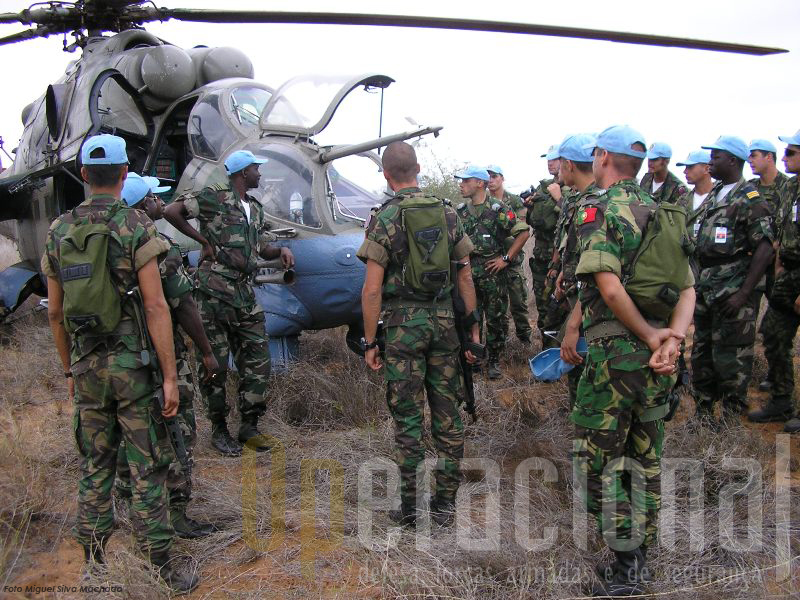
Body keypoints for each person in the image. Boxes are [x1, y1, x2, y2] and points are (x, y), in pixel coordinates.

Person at [42, 135, 197, 592]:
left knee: (96, 463)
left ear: (85, 176)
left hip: (88, 366)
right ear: (125, 173)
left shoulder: (58, 231)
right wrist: (170, 377)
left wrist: (71, 369)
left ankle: (93, 562)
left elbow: (54, 312)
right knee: (147, 466)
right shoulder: (136, 228)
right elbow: (156, 307)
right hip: (134, 368)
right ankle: (161, 566)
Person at [568, 126, 695, 597]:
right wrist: (671, 340)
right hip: (659, 361)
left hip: (615, 358)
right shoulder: (666, 212)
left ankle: (628, 568)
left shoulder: (601, 208)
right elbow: (687, 289)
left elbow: (608, 285)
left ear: (602, 157)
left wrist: (646, 335)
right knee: (645, 458)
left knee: (593, 464)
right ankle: (640, 559)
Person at [357, 141, 480, 527]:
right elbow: (465, 273)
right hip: (445, 324)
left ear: (386, 174)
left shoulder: (384, 217)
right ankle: (444, 504)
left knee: (408, 417)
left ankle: (410, 506)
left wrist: (371, 341)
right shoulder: (447, 213)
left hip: (402, 330)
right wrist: (473, 331)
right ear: (419, 168)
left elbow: (372, 289)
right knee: (448, 414)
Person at [164, 150, 295, 456]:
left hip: (244, 296)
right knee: (215, 366)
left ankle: (250, 427)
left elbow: (260, 248)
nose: (260, 174)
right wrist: (204, 242)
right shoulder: (214, 199)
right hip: (213, 294)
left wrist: (280, 253)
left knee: (257, 361)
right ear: (241, 173)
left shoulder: (256, 209)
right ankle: (219, 429)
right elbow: (172, 211)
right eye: (255, 169)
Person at [115, 173, 219, 538]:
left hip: (117, 361)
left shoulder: (103, 242)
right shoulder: (158, 246)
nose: (161, 202)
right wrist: (207, 352)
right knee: (177, 433)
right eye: (155, 198)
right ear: (144, 205)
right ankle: (175, 515)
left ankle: (128, 506)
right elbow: (183, 306)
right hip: (161, 359)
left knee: (127, 434)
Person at [692, 136, 774, 422]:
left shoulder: (749, 198)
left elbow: (764, 248)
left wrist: (743, 293)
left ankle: (729, 419)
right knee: (702, 354)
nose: (710, 163)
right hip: (706, 289)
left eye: (715, 157)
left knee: (732, 358)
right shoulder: (715, 195)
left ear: (733, 161)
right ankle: (703, 413)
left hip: (733, 291)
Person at [456, 165, 529, 379]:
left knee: (496, 317)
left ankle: (495, 359)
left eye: (466, 181)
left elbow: (523, 232)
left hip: (492, 272)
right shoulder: (460, 212)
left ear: (480, 183)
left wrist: (506, 259)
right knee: (471, 316)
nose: (461, 185)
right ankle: (475, 357)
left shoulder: (498, 208)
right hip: (468, 273)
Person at [749, 131, 800, 431]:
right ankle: (782, 401)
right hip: (789, 273)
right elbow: (782, 230)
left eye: (791, 153)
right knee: (773, 333)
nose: (784, 158)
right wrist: (780, 267)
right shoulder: (791, 188)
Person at [551, 133, 598, 407]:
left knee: (584, 368)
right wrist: (563, 273)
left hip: (588, 306)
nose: (557, 168)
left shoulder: (592, 205)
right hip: (577, 296)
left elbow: (595, 273)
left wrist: (574, 323)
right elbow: (579, 252)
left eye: (559, 163)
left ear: (569, 164)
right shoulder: (581, 200)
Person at [487, 164, 533, 344]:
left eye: (494, 176)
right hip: (492, 262)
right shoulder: (485, 203)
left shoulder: (513, 202)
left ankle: (525, 341)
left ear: (502, 178)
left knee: (519, 304)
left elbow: (522, 232)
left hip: (511, 261)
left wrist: (508, 257)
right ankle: (502, 341)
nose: (491, 180)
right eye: (488, 177)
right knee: (498, 307)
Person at [524, 146, 563, 341]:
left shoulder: (573, 189)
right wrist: (531, 208)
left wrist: (559, 199)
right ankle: (548, 355)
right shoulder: (542, 188)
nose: (550, 162)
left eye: (555, 159)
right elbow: (533, 222)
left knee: (565, 309)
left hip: (564, 261)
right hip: (541, 258)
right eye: (548, 159)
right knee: (544, 310)